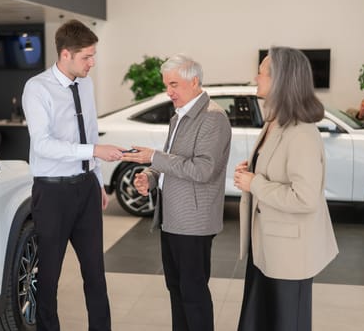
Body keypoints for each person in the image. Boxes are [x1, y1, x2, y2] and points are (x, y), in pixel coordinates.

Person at [22, 19, 124, 331]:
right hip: (52, 194)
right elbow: (43, 145)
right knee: (49, 275)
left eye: (93, 56)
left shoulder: (86, 84)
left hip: (86, 188)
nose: (92, 63)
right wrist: (93, 153)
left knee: (95, 272)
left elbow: (90, 132)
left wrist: (97, 178)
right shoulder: (37, 89)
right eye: (87, 57)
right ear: (66, 54)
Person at [122, 54, 231, 331]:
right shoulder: (179, 116)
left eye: (174, 84)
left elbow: (203, 170)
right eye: (166, 85)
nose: (168, 92)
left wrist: (154, 158)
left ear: (194, 82)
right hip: (172, 218)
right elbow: (174, 162)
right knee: (176, 289)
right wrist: (149, 175)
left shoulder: (212, 118)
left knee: (192, 293)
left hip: (193, 222)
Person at [233, 46, 339, 331]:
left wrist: (255, 183)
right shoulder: (274, 122)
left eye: (261, 71)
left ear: (280, 79)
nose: (256, 76)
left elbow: (305, 198)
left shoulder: (301, 132)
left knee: (285, 323)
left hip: (289, 253)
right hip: (267, 245)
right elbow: (273, 170)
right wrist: (252, 171)